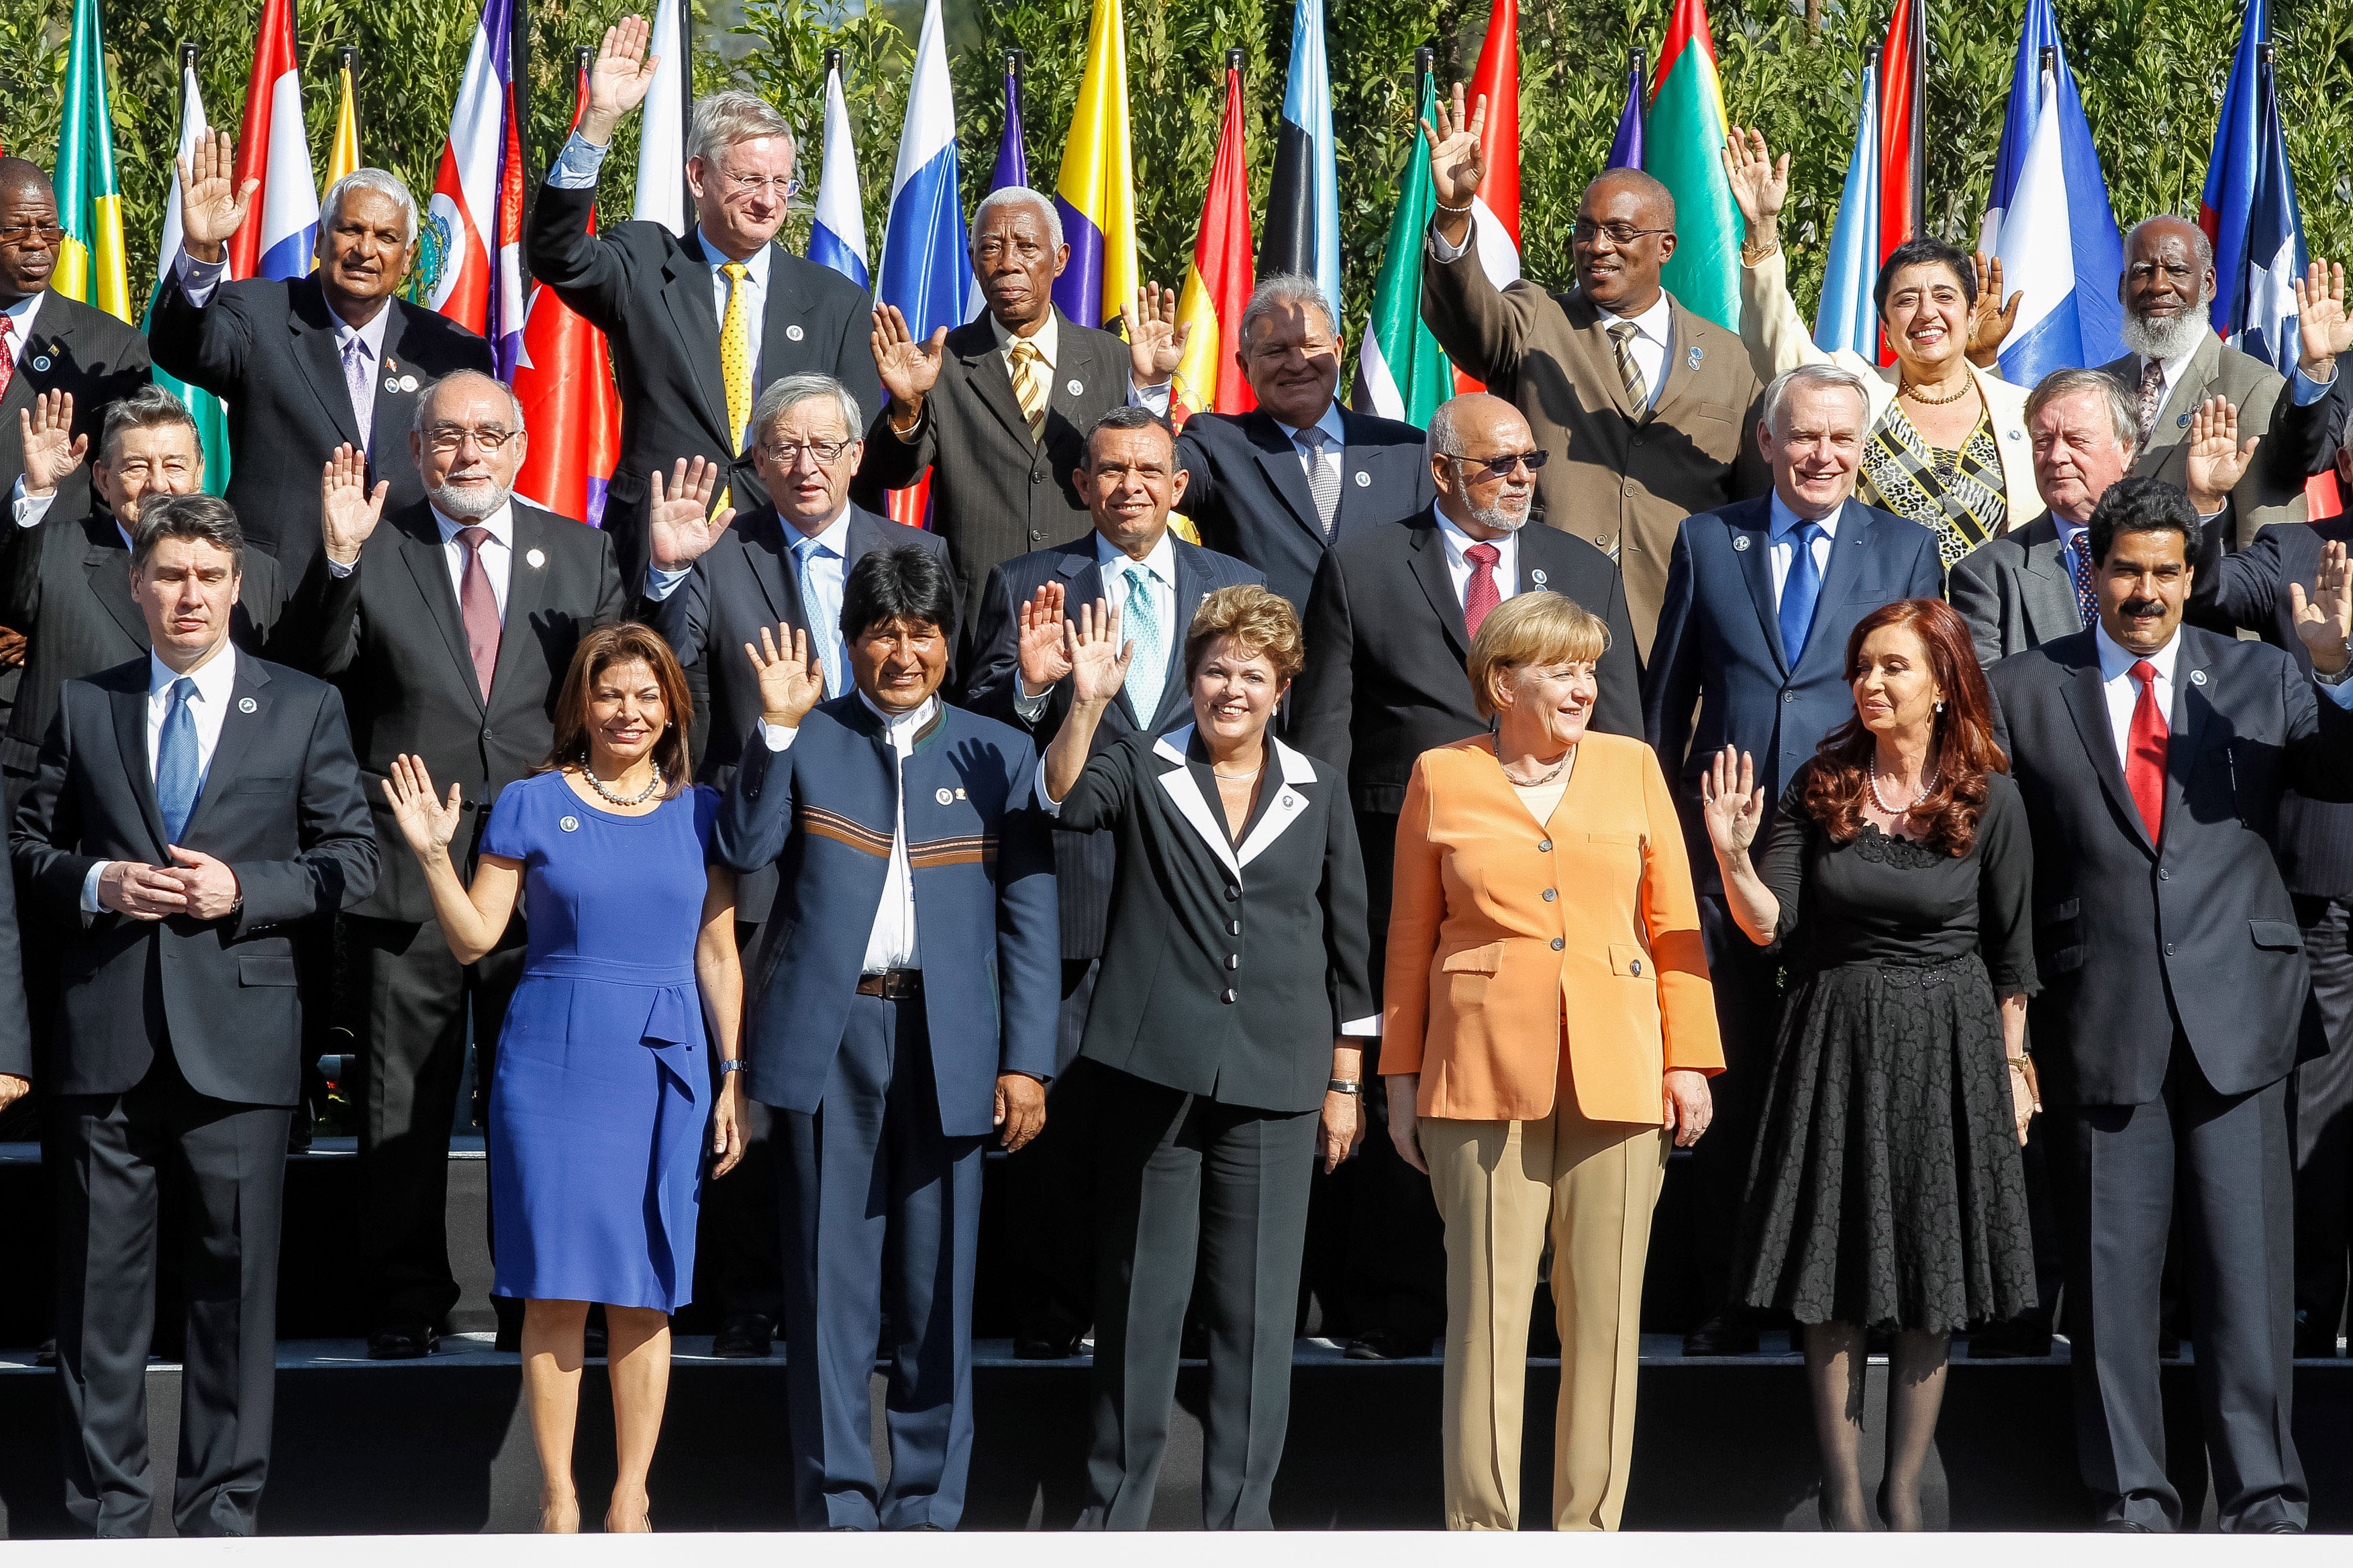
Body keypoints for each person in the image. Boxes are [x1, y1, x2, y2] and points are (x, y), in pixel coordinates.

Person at [1988, 474, 2353, 1532]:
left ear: (2193, 577)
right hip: (2096, 1008)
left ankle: (2264, 1496)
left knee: (2246, 1275)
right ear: (2086, 572)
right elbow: (2000, 863)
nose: (2144, 592)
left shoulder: (2261, 676)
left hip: (2238, 1016)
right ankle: (2133, 1497)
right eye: (2124, 570)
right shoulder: (2020, 688)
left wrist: (2332, 672)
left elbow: (2338, 779)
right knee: (2110, 1284)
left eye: (2165, 571)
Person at [13, 494, 376, 1535]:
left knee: (235, 1298)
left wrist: (243, 893)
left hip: (242, 1039)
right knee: (97, 1308)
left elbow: (350, 857)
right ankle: (107, 1523)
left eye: (209, 577)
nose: (188, 594)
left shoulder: (303, 706)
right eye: (169, 574)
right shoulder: (84, 705)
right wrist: (98, 885)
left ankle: (219, 1522)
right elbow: (31, 852)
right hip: (106, 1042)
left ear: (236, 589)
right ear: (136, 583)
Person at [271, 370, 627, 1361]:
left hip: (543, 870)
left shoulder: (583, 551)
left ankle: (535, 1296)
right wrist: (336, 562)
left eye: (489, 435)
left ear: (522, 445)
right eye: (447, 437)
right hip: (406, 863)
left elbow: (617, 698)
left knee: (536, 1098)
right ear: (418, 449)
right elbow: (306, 672)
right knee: (402, 1096)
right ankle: (403, 1295)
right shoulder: (371, 546)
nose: (468, 453)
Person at [1289, 389, 1638, 1360]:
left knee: (1535, 1081)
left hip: (1550, 874)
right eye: (1500, 464)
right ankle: (1400, 1307)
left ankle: (1534, 1314)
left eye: (1529, 460)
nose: (1522, 478)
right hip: (1401, 867)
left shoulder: (1580, 573)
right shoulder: (1361, 566)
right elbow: (1322, 742)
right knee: (1415, 1067)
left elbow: (1622, 739)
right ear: (1441, 472)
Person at [714, 547, 1058, 1531]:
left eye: (922, 632)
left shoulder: (996, 748)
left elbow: (1028, 920)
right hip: (830, 1038)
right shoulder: (807, 737)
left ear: (949, 642)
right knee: (830, 1289)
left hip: (951, 1039)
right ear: (849, 641)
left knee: (937, 1289)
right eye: (881, 632)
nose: (902, 653)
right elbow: (741, 853)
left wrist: (1025, 1059)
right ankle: (838, 1508)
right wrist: (773, 731)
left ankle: (925, 1508)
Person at [379, 623, 745, 1534]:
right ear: (580, 706)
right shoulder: (531, 803)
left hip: (664, 1063)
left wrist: (732, 1075)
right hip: (552, 1060)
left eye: (647, 696)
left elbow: (718, 955)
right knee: (553, 1286)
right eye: (611, 694)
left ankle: (630, 1496)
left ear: (673, 710)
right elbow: (474, 937)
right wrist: (433, 852)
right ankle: (558, 1497)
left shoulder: (705, 813)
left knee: (643, 1284)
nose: (629, 711)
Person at [1381, 591, 1719, 1531]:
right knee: (1485, 1320)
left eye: (1590, 670)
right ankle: (1482, 1536)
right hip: (1477, 1072)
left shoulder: (1633, 765)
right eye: (1561, 669)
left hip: (1620, 1071)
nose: (1584, 687)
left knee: (1605, 1325)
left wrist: (1687, 1057)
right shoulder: (1439, 776)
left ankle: (1588, 1535)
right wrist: (1398, 1081)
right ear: (1502, 680)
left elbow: (1672, 922)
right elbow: (1409, 938)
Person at [1039, 583, 1374, 1529]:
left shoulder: (1316, 786)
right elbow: (1063, 801)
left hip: (1280, 1074)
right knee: (1141, 1305)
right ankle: (1116, 1514)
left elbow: (1347, 942)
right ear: (1189, 676)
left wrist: (1345, 1080)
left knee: (1260, 1318)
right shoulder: (1141, 763)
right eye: (1216, 670)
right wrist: (1089, 703)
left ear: (1282, 688)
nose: (1232, 689)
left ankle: (1242, 1523)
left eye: (1252, 675)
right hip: (1153, 1071)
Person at [1700, 596, 2037, 1530]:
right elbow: (1772, 927)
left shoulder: (1987, 793)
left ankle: (1903, 1494)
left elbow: (2012, 959)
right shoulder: (1821, 783)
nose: (1871, 682)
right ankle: (1845, 1504)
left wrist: (2013, 1071)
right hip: (1835, 1039)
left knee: (1932, 1272)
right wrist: (1732, 857)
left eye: (1893, 666)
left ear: (1942, 682)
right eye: (1863, 666)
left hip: (1950, 1044)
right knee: (1831, 1271)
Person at [643, 370, 949, 1359]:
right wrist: (664, 577)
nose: (806, 465)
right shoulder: (719, 555)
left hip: (892, 852)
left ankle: (890, 1304)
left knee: (879, 1079)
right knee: (758, 1076)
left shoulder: (918, 554)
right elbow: (666, 686)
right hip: (761, 850)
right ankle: (750, 1294)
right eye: (785, 448)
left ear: (860, 457)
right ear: (759, 463)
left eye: (825, 446)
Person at [1644, 362, 1943, 1356]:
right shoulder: (1707, 539)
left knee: (1831, 1084)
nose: (1821, 456)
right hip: (1717, 853)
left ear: (1866, 449)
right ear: (1767, 442)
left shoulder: (1904, 548)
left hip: (1848, 859)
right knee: (1728, 1075)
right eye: (1802, 437)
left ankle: (1834, 1294)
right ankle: (1734, 1291)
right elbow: (1660, 705)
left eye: (1841, 440)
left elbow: (1924, 715)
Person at [964, 404, 1262, 1357]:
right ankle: (1048, 1312)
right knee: (1056, 1116)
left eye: (1148, 470)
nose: (1129, 486)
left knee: (1169, 1123)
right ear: (1082, 484)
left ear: (1178, 487)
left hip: (1190, 897)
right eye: (1109, 470)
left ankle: (1163, 1313)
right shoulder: (1026, 584)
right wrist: (1030, 688)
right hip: (1068, 890)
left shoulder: (1236, 587)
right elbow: (976, 732)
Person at [525, 17, 879, 593]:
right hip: (660, 546)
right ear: (698, 175)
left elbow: (855, 452)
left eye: (782, 184)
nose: (769, 201)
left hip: (785, 550)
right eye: (749, 180)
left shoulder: (835, 300)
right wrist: (598, 123)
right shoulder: (646, 263)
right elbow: (557, 254)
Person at [1416, 85, 1767, 656]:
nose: (1597, 246)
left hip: (1679, 632)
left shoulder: (1726, 356)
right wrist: (1456, 210)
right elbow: (1463, 315)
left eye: (1621, 233)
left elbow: (1753, 503)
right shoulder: (1534, 317)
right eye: (1585, 230)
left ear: (1667, 247)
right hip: (1551, 623)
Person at [151, 146, 495, 585]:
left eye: (386, 237)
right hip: (278, 593)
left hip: (407, 597)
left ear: (408, 256)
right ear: (319, 239)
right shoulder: (260, 312)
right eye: (350, 229)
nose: (365, 250)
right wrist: (201, 251)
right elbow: (179, 347)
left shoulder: (455, 352)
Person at [861, 186, 1185, 634]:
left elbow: (1151, 474)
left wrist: (1150, 386)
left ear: (1061, 259)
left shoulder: (1114, 359)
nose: (1008, 262)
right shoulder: (939, 364)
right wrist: (907, 404)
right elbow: (890, 476)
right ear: (974, 262)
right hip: (977, 621)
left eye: (1027, 246)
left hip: (1091, 614)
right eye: (992, 248)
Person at [2190, 478, 2353, 1359]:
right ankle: (2303, 1320)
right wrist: (2203, 503)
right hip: (2323, 883)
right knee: (2309, 1112)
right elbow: (2207, 587)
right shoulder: (2295, 551)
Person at [1723, 127, 2036, 566]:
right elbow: (1776, 341)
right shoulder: (1855, 391)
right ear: (1886, 327)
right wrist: (1762, 231)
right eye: (1907, 300)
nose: (1927, 312)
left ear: (1971, 315)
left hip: (1995, 630)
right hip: (1878, 625)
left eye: (1944, 297)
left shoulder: (2022, 410)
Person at [5, 387, 281, 813]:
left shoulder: (256, 572)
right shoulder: (52, 548)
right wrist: (38, 490)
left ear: (200, 473)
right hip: (61, 815)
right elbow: (7, 601)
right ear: (101, 478)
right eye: (136, 468)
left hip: (204, 825)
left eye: (174, 466)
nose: (158, 484)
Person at [1170, 273, 1433, 611]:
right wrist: (1151, 386)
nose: (1297, 364)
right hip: (1267, 658)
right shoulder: (1217, 444)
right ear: (1244, 366)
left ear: (1337, 351)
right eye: (1275, 350)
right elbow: (1152, 477)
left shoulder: (1408, 450)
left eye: (1311, 346)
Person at [2099, 219, 2342, 550]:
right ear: (2122, 286)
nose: (2158, 285)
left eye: (2177, 270)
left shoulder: (2255, 389)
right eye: (2142, 271)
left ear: (2209, 283)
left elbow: (2267, 554)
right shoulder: (2099, 388)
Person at [0, 156, 150, 529]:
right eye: (18, 229)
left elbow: (122, 493)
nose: (37, 243)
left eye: (49, 228)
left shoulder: (113, 347)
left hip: (47, 576)